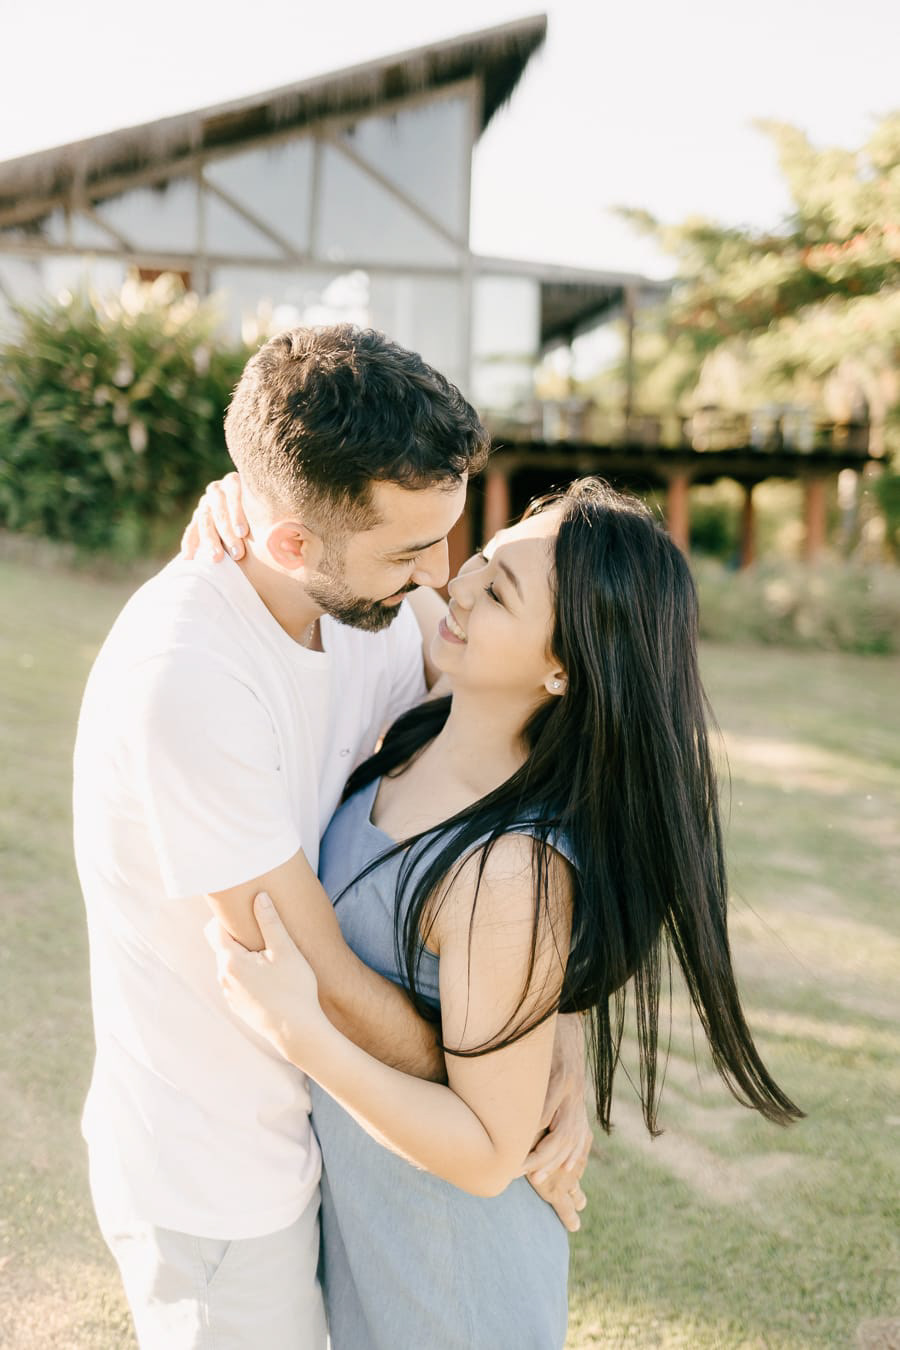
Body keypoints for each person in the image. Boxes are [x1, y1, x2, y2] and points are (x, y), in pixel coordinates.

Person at [73, 325, 590, 1350]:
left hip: (332, 1147)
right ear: (290, 546)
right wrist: (500, 1078)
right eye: (407, 552)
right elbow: (312, 973)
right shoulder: (189, 676)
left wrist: (552, 1018)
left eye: (447, 538)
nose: (439, 577)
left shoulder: (373, 612)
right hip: (219, 1176)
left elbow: (541, 729)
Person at [204, 476, 804, 1350]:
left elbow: (489, 1155)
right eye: (484, 559)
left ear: (564, 667)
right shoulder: (425, 723)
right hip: (372, 1243)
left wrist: (303, 1035)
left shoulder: (512, 871)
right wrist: (251, 500)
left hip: (455, 1286)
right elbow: (336, 549)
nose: (459, 585)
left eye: (500, 593)